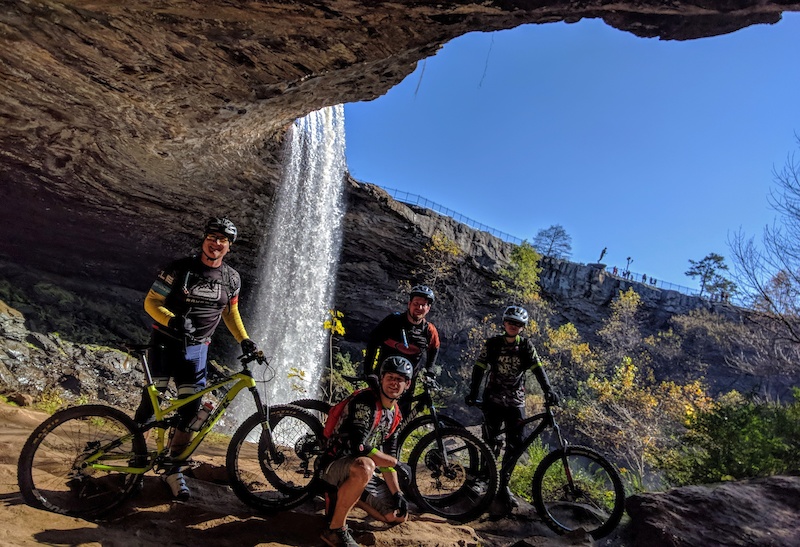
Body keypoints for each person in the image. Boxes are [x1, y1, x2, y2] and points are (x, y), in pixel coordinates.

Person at [133, 216, 258, 500]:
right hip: (165, 344)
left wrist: (245, 339)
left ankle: (173, 468)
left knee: (190, 412)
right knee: (150, 407)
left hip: (197, 350)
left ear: (229, 246)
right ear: (204, 239)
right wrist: (172, 321)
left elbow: (230, 312)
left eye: (223, 240)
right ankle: (137, 464)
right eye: (212, 237)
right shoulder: (180, 269)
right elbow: (151, 302)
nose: (216, 243)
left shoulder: (232, 278)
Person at [464, 305, 558, 512]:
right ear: (504, 323)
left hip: (516, 401)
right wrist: (473, 392)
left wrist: (548, 390)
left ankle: (503, 485)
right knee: (491, 441)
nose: (513, 326)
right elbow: (479, 367)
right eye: (510, 322)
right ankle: (483, 478)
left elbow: (538, 369)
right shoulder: (493, 344)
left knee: (516, 444)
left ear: (523, 327)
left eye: (518, 324)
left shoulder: (526, 346)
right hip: (493, 399)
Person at [320, 356, 413, 547]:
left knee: (396, 516)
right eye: (390, 377)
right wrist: (396, 464)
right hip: (333, 466)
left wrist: (398, 494)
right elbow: (358, 446)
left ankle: (349, 494)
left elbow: (389, 459)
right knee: (366, 465)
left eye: (399, 379)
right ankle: (335, 530)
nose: (394, 383)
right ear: (381, 379)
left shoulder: (395, 415)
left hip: (360, 474)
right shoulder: (366, 402)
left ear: (407, 384)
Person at [363, 284, 440, 416]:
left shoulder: (429, 330)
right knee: (371, 415)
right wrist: (368, 371)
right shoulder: (393, 321)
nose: (419, 308)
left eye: (423, 305)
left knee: (400, 421)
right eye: (416, 303)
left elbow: (434, 349)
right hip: (383, 380)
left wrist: (430, 371)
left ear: (428, 308)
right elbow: (373, 343)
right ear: (409, 304)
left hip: (406, 385)